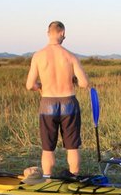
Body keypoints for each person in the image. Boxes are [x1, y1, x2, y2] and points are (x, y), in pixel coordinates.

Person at [26, 21, 89, 179]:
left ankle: (47, 178)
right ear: (62, 33)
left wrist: (39, 87)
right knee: (72, 147)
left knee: (48, 148)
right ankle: (73, 178)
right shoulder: (70, 56)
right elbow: (84, 83)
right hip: (69, 102)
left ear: (48, 33)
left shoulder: (38, 56)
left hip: (48, 103)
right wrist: (73, 80)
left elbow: (29, 85)